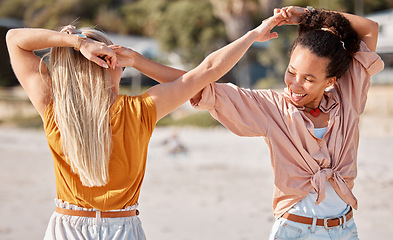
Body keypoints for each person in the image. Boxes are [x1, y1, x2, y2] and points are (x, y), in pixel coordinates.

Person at [5, 12, 285, 239]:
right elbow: (207, 71)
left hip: (66, 227)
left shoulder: (55, 109)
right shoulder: (139, 111)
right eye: (119, 62)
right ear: (108, 64)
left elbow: (14, 39)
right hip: (121, 228)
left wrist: (78, 44)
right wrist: (251, 36)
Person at [130, 6, 385, 239]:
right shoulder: (272, 108)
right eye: (291, 72)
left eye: (308, 78)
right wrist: (136, 61)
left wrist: (308, 16)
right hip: (295, 230)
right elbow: (194, 85)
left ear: (330, 81)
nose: (295, 84)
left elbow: (369, 28)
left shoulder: (348, 97)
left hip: (345, 229)